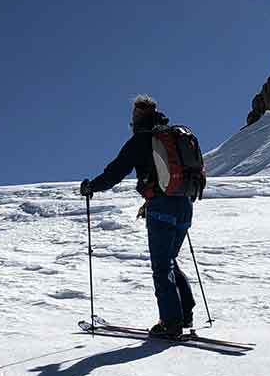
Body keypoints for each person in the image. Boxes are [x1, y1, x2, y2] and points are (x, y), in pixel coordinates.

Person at [80, 94, 196, 338]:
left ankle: (171, 323)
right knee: (170, 259)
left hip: (161, 207)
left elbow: (114, 173)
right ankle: (185, 314)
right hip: (185, 205)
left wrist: (92, 187)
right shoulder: (175, 135)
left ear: (137, 117)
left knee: (162, 266)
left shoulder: (141, 140)